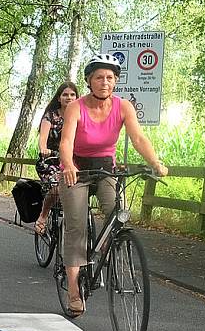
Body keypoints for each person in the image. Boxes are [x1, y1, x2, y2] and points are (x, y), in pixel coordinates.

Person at [58, 54, 168, 317]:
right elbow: (66, 143)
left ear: (116, 81)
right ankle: (74, 290)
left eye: (110, 78)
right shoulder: (76, 108)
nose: (104, 82)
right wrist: (69, 166)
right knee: (76, 228)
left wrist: (155, 162)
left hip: (106, 168)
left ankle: (107, 250)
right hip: (78, 169)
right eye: (99, 78)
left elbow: (139, 138)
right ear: (89, 81)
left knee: (115, 215)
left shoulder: (123, 107)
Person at [35, 81, 79, 234]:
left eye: (72, 94)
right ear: (59, 98)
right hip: (51, 160)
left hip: (72, 160)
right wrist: (44, 149)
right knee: (56, 186)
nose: (69, 97)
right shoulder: (51, 116)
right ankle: (43, 215)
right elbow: (43, 139)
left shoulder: (80, 116)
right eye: (65, 94)